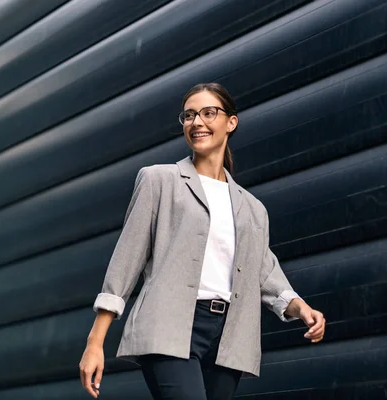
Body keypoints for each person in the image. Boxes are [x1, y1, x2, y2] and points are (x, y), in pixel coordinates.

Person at [79, 83, 325, 399]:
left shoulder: (251, 207)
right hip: (170, 325)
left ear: (231, 122)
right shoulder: (159, 180)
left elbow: (264, 272)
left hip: (229, 336)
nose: (197, 122)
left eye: (209, 113)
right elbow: (126, 261)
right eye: (189, 115)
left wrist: (300, 306)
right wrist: (95, 343)